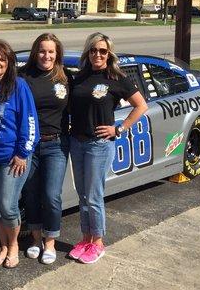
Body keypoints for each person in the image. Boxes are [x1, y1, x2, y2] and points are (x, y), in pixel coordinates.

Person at [68, 32, 147, 264]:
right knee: (82, 194)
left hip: (99, 145)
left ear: (109, 54)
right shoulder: (79, 77)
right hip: (77, 142)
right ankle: (85, 239)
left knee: (93, 196)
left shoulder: (116, 78)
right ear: (88, 53)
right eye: (93, 50)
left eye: (102, 51)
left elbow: (141, 105)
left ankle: (98, 243)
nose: (98, 55)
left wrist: (120, 128)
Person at [0, 40, 39, 269]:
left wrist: (23, 153)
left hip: (13, 158)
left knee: (8, 205)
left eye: (2, 59)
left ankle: (13, 247)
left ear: (9, 62)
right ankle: (3, 247)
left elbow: (29, 122)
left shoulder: (19, 86)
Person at [20, 33, 71, 265]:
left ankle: (50, 241)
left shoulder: (66, 77)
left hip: (56, 144)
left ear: (57, 53)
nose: (46, 56)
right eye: (42, 51)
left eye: (51, 51)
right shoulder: (23, 76)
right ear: (35, 52)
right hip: (29, 145)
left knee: (51, 195)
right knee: (30, 193)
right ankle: (35, 238)